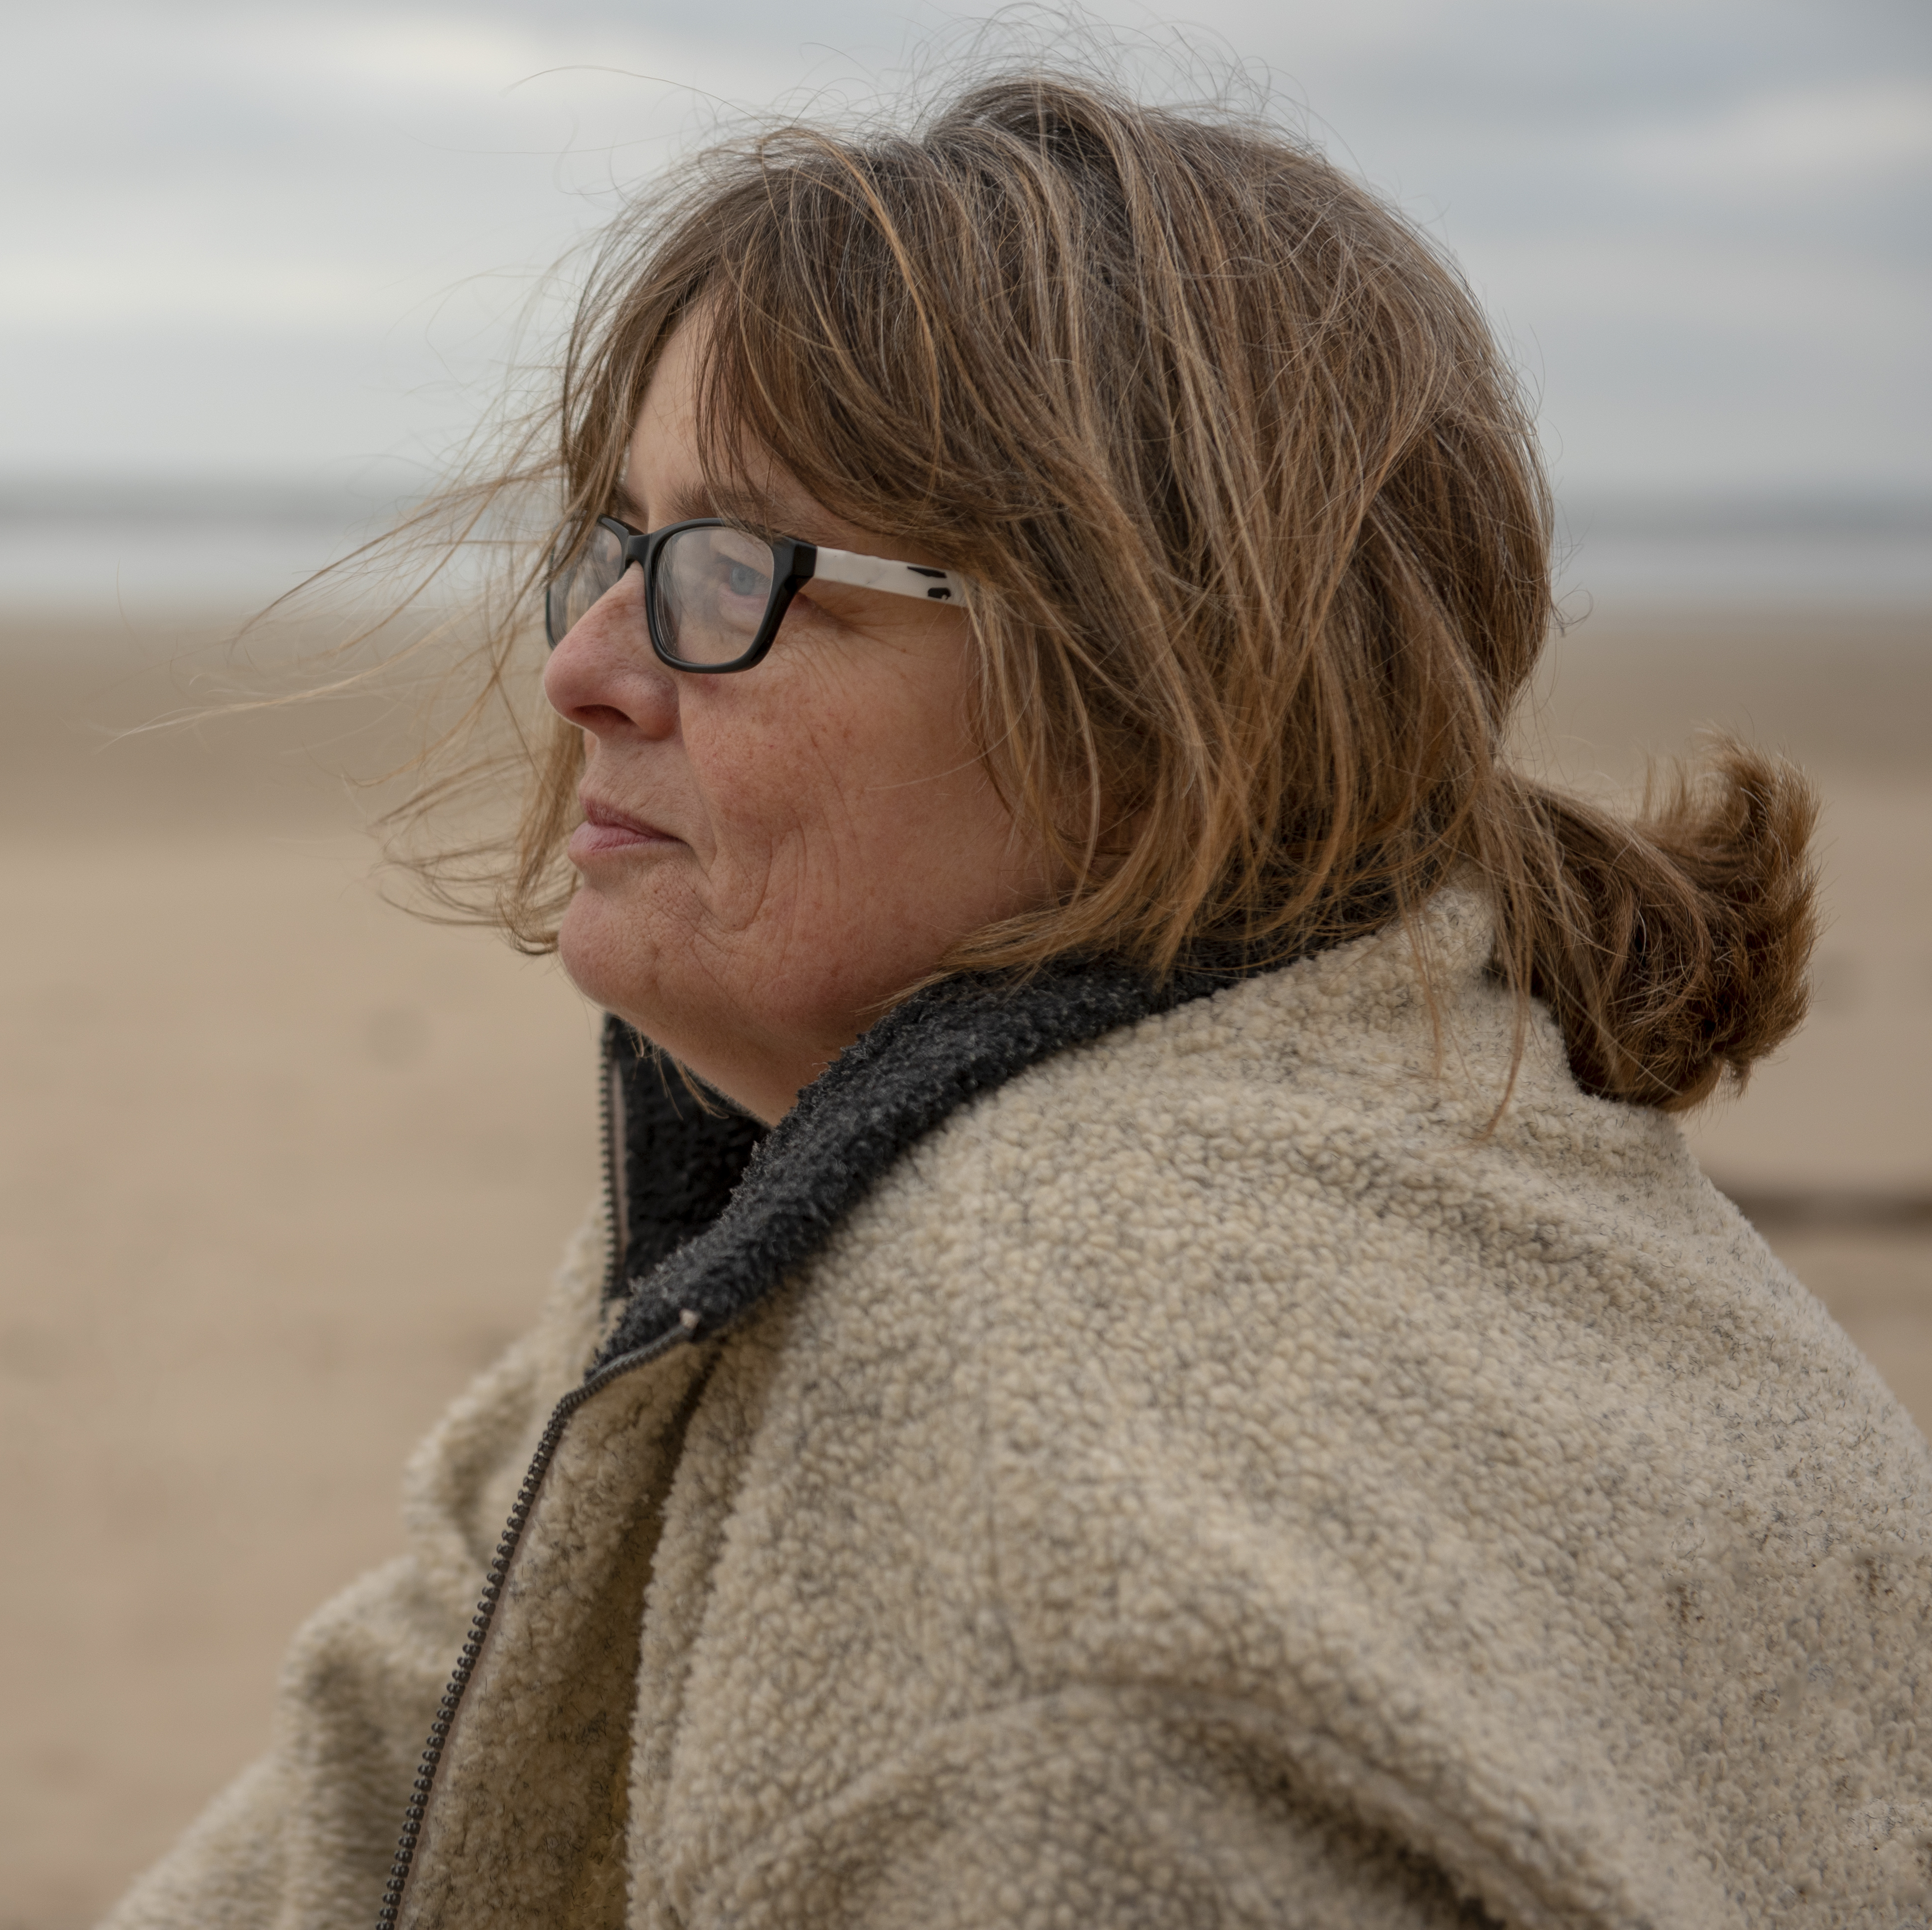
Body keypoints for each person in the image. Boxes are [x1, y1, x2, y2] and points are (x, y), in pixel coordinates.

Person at [101, 70, 1931, 1930]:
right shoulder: (882, 1147)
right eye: (620, 549)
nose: (583, 669)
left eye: (732, 573)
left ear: (1156, 680)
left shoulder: (1029, 1554)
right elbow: (397, 1753)